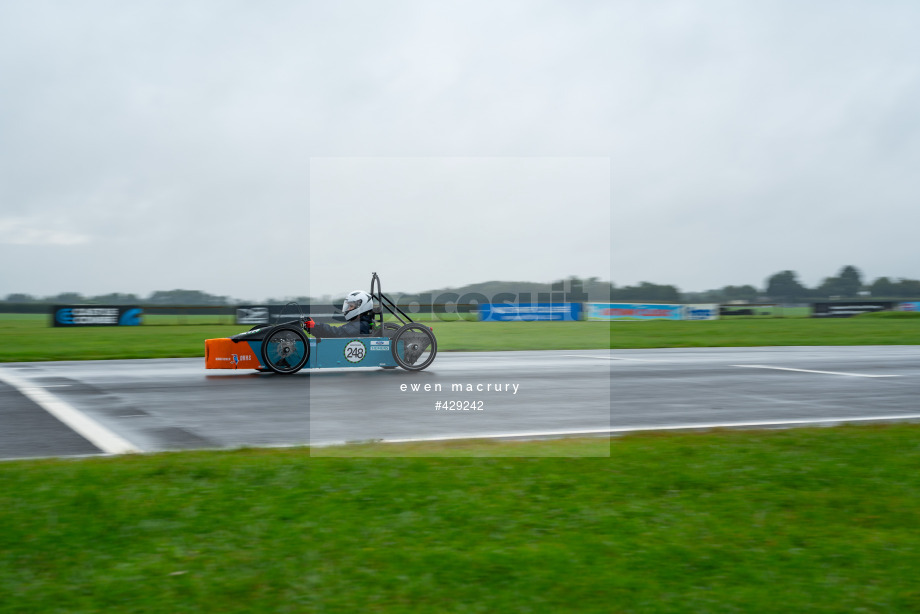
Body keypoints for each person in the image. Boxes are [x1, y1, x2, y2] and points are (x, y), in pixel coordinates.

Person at [309, 290, 375, 338]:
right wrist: (313, 329)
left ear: (362, 307)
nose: (348, 309)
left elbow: (336, 333)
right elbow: (330, 335)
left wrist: (315, 326)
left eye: (351, 306)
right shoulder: (362, 323)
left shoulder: (361, 326)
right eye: (348, 306)